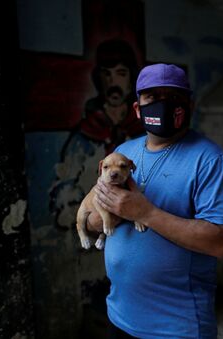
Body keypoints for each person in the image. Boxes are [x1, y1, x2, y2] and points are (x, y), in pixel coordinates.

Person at [89, 63, 223, 338]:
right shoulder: (122, 153)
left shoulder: (210, 161)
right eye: (152, 98)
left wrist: (145, 213)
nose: (162, 104)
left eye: (172, 97)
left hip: (177, 327)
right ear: (138, 108)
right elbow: (92, 218)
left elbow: (220, 243)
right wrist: (99, 218)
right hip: (118, 316)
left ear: (189, 106)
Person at [49, 39, 144, 230]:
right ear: (98, 79)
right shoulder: (83, 137)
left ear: (131, 78)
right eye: (106, 74)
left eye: (121, 73)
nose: (113, 82)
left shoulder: (143, 136)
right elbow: (63, 196)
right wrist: (92, 219)